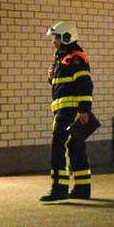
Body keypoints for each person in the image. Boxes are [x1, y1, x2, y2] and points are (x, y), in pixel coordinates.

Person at [41, 20, 93, 203]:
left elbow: (85, 85)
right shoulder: (63, 58)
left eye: (55, 37)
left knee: (59, 147)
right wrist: (51, 78)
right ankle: (82, 188)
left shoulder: (75, 58)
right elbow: (65, 86)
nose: (53, 42)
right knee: (75, 147)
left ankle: (59, 188)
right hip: (66, 111)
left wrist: (84, 110)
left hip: (69, 112)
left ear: (65, 37)